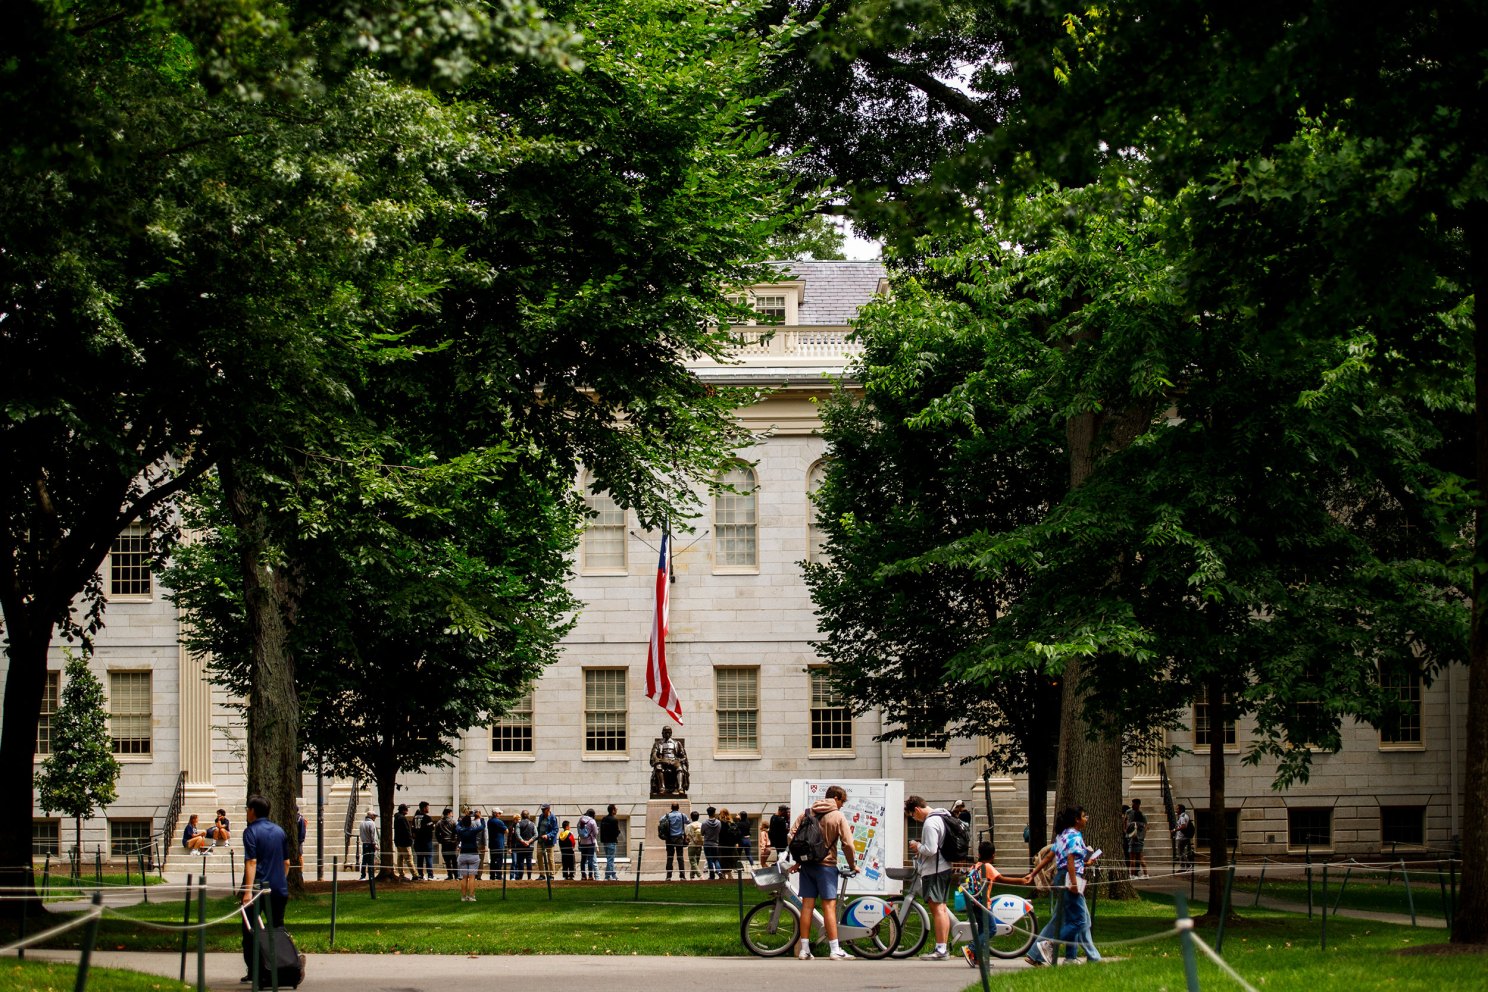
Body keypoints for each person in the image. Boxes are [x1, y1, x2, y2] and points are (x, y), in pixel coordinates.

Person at [787, 784, 858, 960]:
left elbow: (792, 837)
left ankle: (804, 949)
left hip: (807, 867)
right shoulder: (838, 816)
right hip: (826, 867)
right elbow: (848, 844)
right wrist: (852, 864)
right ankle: (835, 949)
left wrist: (798, 861)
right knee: (829, 907)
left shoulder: (807, 812)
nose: (842, 805)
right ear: (836, 798)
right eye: (842, 801)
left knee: (807, 906)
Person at [1026, 806, 1101, 965]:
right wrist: (1074, 883)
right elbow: (1070, 860)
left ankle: (1044, 955)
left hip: (1063, 876)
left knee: (1060, 919)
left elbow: (1048, 858)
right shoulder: (1075, 836)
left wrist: (1033, 874)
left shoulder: (1062, 836)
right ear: (1077, 820)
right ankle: (1049, 945)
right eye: (1084, 816)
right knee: (1081, 920)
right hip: (1070, 877)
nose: (1086, 818)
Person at [239, 794, 296, 984]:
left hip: (258, 889)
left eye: (248, 809)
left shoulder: (250, 832)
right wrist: (280, 879)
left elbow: (252, 862)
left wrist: (247, 891)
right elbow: (286, 863)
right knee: (278, 929)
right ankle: (282, 968)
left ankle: (255, 971)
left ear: (253, 811)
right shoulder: (279, 831)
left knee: (250, 932)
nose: (247, 812)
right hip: (279, 888)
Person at [959, 840, 1035, 966]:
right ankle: (971, 948)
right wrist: (1021, 880)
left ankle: (976, 957)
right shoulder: (987, 867)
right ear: (993, 855)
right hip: (982, 904)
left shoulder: (975, 866)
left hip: (973, 903)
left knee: (983, 929)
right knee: (992, 929)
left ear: (979, 853)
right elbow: (1001, 879)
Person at [905, 794, 956, 960]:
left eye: (913, 815)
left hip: (935, 870)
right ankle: (942, 947)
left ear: (917, 809)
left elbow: (931, 849)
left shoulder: (930, 822)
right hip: (944, 867)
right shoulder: (942, 816)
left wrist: (916, 845)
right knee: (941, 907)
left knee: (938, 909)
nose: (915, 818)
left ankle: (941, 949)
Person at [649, 726, 690, 797]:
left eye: (668, 732)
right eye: (665, 732)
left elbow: (683, 756)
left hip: (674, 760)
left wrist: (678, 760)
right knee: (658, 767)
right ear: (662, 733)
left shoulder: (677, 743)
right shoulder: (658, 743)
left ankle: (680, 788)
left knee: (679, 768)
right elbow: (654, 754)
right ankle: (662, 788)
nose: (667, 734)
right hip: (663, 761)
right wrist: (657, 760)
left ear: (671, 733)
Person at [455, 809, 484, 901]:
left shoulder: (460, 830)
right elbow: (482, 826)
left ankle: (463, 896)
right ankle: (471, 896)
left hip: (463, 854)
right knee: (472, 877)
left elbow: (458, 825)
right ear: (470, 823)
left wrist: (463, 818)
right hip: (473, 854)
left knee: (464, 877)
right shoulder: (473, 830)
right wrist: (480, 817)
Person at [661, 801, 688, 880]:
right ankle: (682, 876)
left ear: (671, 808)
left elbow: (661, 820)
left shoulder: (667, 816)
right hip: (679, 838)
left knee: (669, 857)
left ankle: (668, 876)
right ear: (678, 808)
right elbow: (688, 821)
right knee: (680, 857)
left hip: (669, 839)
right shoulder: (682, 815)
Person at [413, 801, 437, 880]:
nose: (428, 809)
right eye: (427, 807)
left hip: (417, 841)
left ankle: (420, 874)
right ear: (424, 808)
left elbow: (413, 829)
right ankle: (430, 875)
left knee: (419, 859)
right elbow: (431, 828)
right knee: (428, 858)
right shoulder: (427, 818)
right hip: (426, 841)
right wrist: (433, 825)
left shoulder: (415, 817)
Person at [1126, 798, 1148, 877]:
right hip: (1140, 841)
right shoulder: (1141, 824)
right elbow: (1146, 827)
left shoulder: (1132, 824)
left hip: (1133, 840)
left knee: (1132, 859)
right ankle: (1146, 874)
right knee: (1141, 858)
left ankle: (1132, 874)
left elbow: (1127, 830)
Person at [536, 803, 559, 879]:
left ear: (548, 809)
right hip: (540, 840)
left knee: (550, 858)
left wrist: (548, 835)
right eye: (542, 809)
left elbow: (555, 829)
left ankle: (551, 875)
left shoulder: (553, 818)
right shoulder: (541, 816)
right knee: (539, 856)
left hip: (549, 841)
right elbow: (539, 827)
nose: (542, 811)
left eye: (544, 809)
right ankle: (542, 875)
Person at [511, 809, 537, 879]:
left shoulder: (518, 824)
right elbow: (536, 835)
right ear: (528, 816)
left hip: (520, 846)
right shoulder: (532, 824)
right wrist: (528, 842)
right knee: (529, 862)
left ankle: (520, 878)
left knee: (520, 862)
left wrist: (523, 841)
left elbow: (517, 834)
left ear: (522, 816)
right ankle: (529, 877)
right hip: (530, 846)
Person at [599, 804, 621, 881]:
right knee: (610, 859)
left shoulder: (604, 819)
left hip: (605, 842)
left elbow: (601, 831)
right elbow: (616, 832)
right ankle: (608, 876)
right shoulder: (614, 820)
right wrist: (618, 832)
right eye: (615, 808)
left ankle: (613, 874)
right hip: (611, 841)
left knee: (609, 858)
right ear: (613, 810)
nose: (617, 810)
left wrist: (603, 840)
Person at [699, 806, 721, 880]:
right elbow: (719, 832)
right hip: (715, 844)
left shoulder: (704, 823)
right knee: (716, 859)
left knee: (709, 860)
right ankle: (719, 871)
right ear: (714, 813)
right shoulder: (718, 822)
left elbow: (702, 833)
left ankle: (712, 876)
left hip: (707, 844)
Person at [393, 803, 414, 880]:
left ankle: (401, 874)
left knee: (400, 858)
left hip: (398, 842)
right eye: (406, 809)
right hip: (405, 842)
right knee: (409, 859)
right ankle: (415, 874)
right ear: (403, 810)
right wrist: (410, 839)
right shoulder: (402, 818)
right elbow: (406, 830)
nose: (407, 810)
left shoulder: (397, 818)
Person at [717, 808, 740, 877]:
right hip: (730, 845)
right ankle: (727, 875)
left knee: (723, 860)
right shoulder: (731, 823)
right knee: (729, 859)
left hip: (722, 844)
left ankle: (728, 876)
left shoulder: (719, 823)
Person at [577, 808, 599, 881]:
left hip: (582, 843)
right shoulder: (592, 821)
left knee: (583, 860)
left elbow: (578, 829)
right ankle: (590, 876)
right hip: (590, 843)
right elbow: (596, 832)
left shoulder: (580, 820)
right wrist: (593, 836)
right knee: (590, 860)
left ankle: (583, 876)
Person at [487, 808, 508, 880]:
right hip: (499, 844)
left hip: (492, 844)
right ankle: (499, 876)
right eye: (499, 813)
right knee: (499, 860)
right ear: (495, 813)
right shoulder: (499, 822)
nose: (500, 814)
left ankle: (492, 876)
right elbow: (506, 831)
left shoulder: (489, 821)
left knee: (493, 860)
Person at [358, 809, 379, 880]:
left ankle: (362, 875)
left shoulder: (362, 823)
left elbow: (361, 834)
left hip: (364, 843)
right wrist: (375, 844)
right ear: (371, 816)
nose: (375, 817)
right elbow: (372, 835)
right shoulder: (372, 823)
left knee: (364, 860)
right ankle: (371, 876)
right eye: (374, 816)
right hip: (370, 843)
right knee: (370, 861)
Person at [1173, 804, 1193, 870]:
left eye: (1177, 809)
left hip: (1182, 837)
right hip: (1185, 836)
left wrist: (1174, 830)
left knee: (1180, 852)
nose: (1176, 810)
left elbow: (1183, 826)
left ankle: (1187, 865)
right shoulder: (1185, 815)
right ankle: (1183, 867)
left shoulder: (1182, 817)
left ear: (1181, 810)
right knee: (1181, 852)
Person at [686, 811, 704, 879]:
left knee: (692, 861)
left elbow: (687, 837)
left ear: (691, 817)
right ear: (698, 817)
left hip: (691, 845)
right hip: (699, 845)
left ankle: (700, 875)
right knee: (696, 861)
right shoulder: (701, 825)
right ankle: (692, 876)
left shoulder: (688, 826)